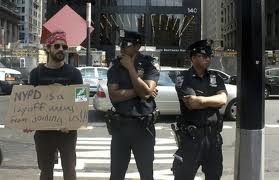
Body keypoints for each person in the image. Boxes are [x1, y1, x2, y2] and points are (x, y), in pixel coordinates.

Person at [27, 31, 83, 180]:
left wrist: (72, 123)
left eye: (64, 47)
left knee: (70, 171)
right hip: (43, 132)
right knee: (45, 172)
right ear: (48, 48)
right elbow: (28, 102)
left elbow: (81, 101)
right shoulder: (36, 74)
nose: (61, 49)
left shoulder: (74, 74)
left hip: (67, 132)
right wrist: (27, 120)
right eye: (57, 46)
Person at [106, 29, 160, 180]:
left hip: (143, 127)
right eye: (120, 43)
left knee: (146, 173)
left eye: (126, 43)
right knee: (116, 174)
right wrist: (142, 91)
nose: (122, 47)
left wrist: (130, 68)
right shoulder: (115, 64)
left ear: (137, 46)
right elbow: (114, 96)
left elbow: (147, 92)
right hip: (120, 127)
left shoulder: (149, 63)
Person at [173, 39, 228, 180]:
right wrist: (212, 100)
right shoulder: (183, 78)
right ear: (193, 58)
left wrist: (202, 100)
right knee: (183, 176)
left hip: (213, 137)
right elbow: (192, 104)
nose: (207, 59)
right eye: (203, 56)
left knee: (214, 175)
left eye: (209, 56)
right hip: (192, 138)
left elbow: (223, 99)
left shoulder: (216, 77)